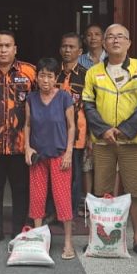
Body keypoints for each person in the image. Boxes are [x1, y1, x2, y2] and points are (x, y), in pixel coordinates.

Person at [82, 23, 137, 260]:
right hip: (103, 141)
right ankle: (101, 239)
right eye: (110, 37)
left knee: (136, 191)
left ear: (128, 43)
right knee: (101, 192)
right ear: (104, 44)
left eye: (120, 36)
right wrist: (104, 130)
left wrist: (124, 130)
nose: (115, 40)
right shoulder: (93, 72)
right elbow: (88, 103)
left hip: (132, 141)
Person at [0, 30, 36, 245]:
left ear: (15, 49)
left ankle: (19, 228)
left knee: (21, 190)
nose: (3, 50)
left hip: (20, 144)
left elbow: (41, 104)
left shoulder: (30, 72)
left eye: (7, 46)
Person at [25, 58, 76, 259]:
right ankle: (39, 239)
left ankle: (68, 243)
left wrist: (69, 152)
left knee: (62, 199)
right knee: (37, 198)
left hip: (60, 155)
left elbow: (71, 126)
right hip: (38, 155)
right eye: (42, 75)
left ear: (56, 79)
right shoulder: (31, 98)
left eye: (49, 76)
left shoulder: (64, 97)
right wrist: (27, 147)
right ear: (36, 77)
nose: (45, 80)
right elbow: (27, 124)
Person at [57, 32, 87, 217]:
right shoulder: (52, 73)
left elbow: (91, 107)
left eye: (71, 47)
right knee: (55, 175)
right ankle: (54, 212)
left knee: (74, 177)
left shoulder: (87, 76)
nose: (67, 50)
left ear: (80, 51)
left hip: (77, 136)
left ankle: (70, 214)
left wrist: (91, 138)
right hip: (54, 135)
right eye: (64, 46)